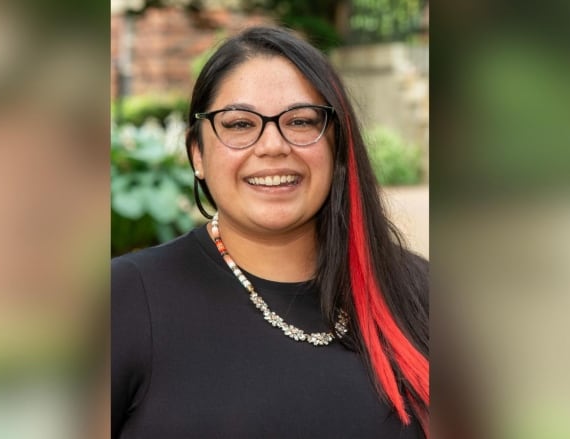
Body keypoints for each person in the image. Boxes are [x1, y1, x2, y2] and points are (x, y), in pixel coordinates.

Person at [112, 26, 429, 438]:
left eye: (300, 121)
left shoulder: (419, 294)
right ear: (198, 155)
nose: (273, 145)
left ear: (338, 147)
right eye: (240, 124)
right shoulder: (126, 301)